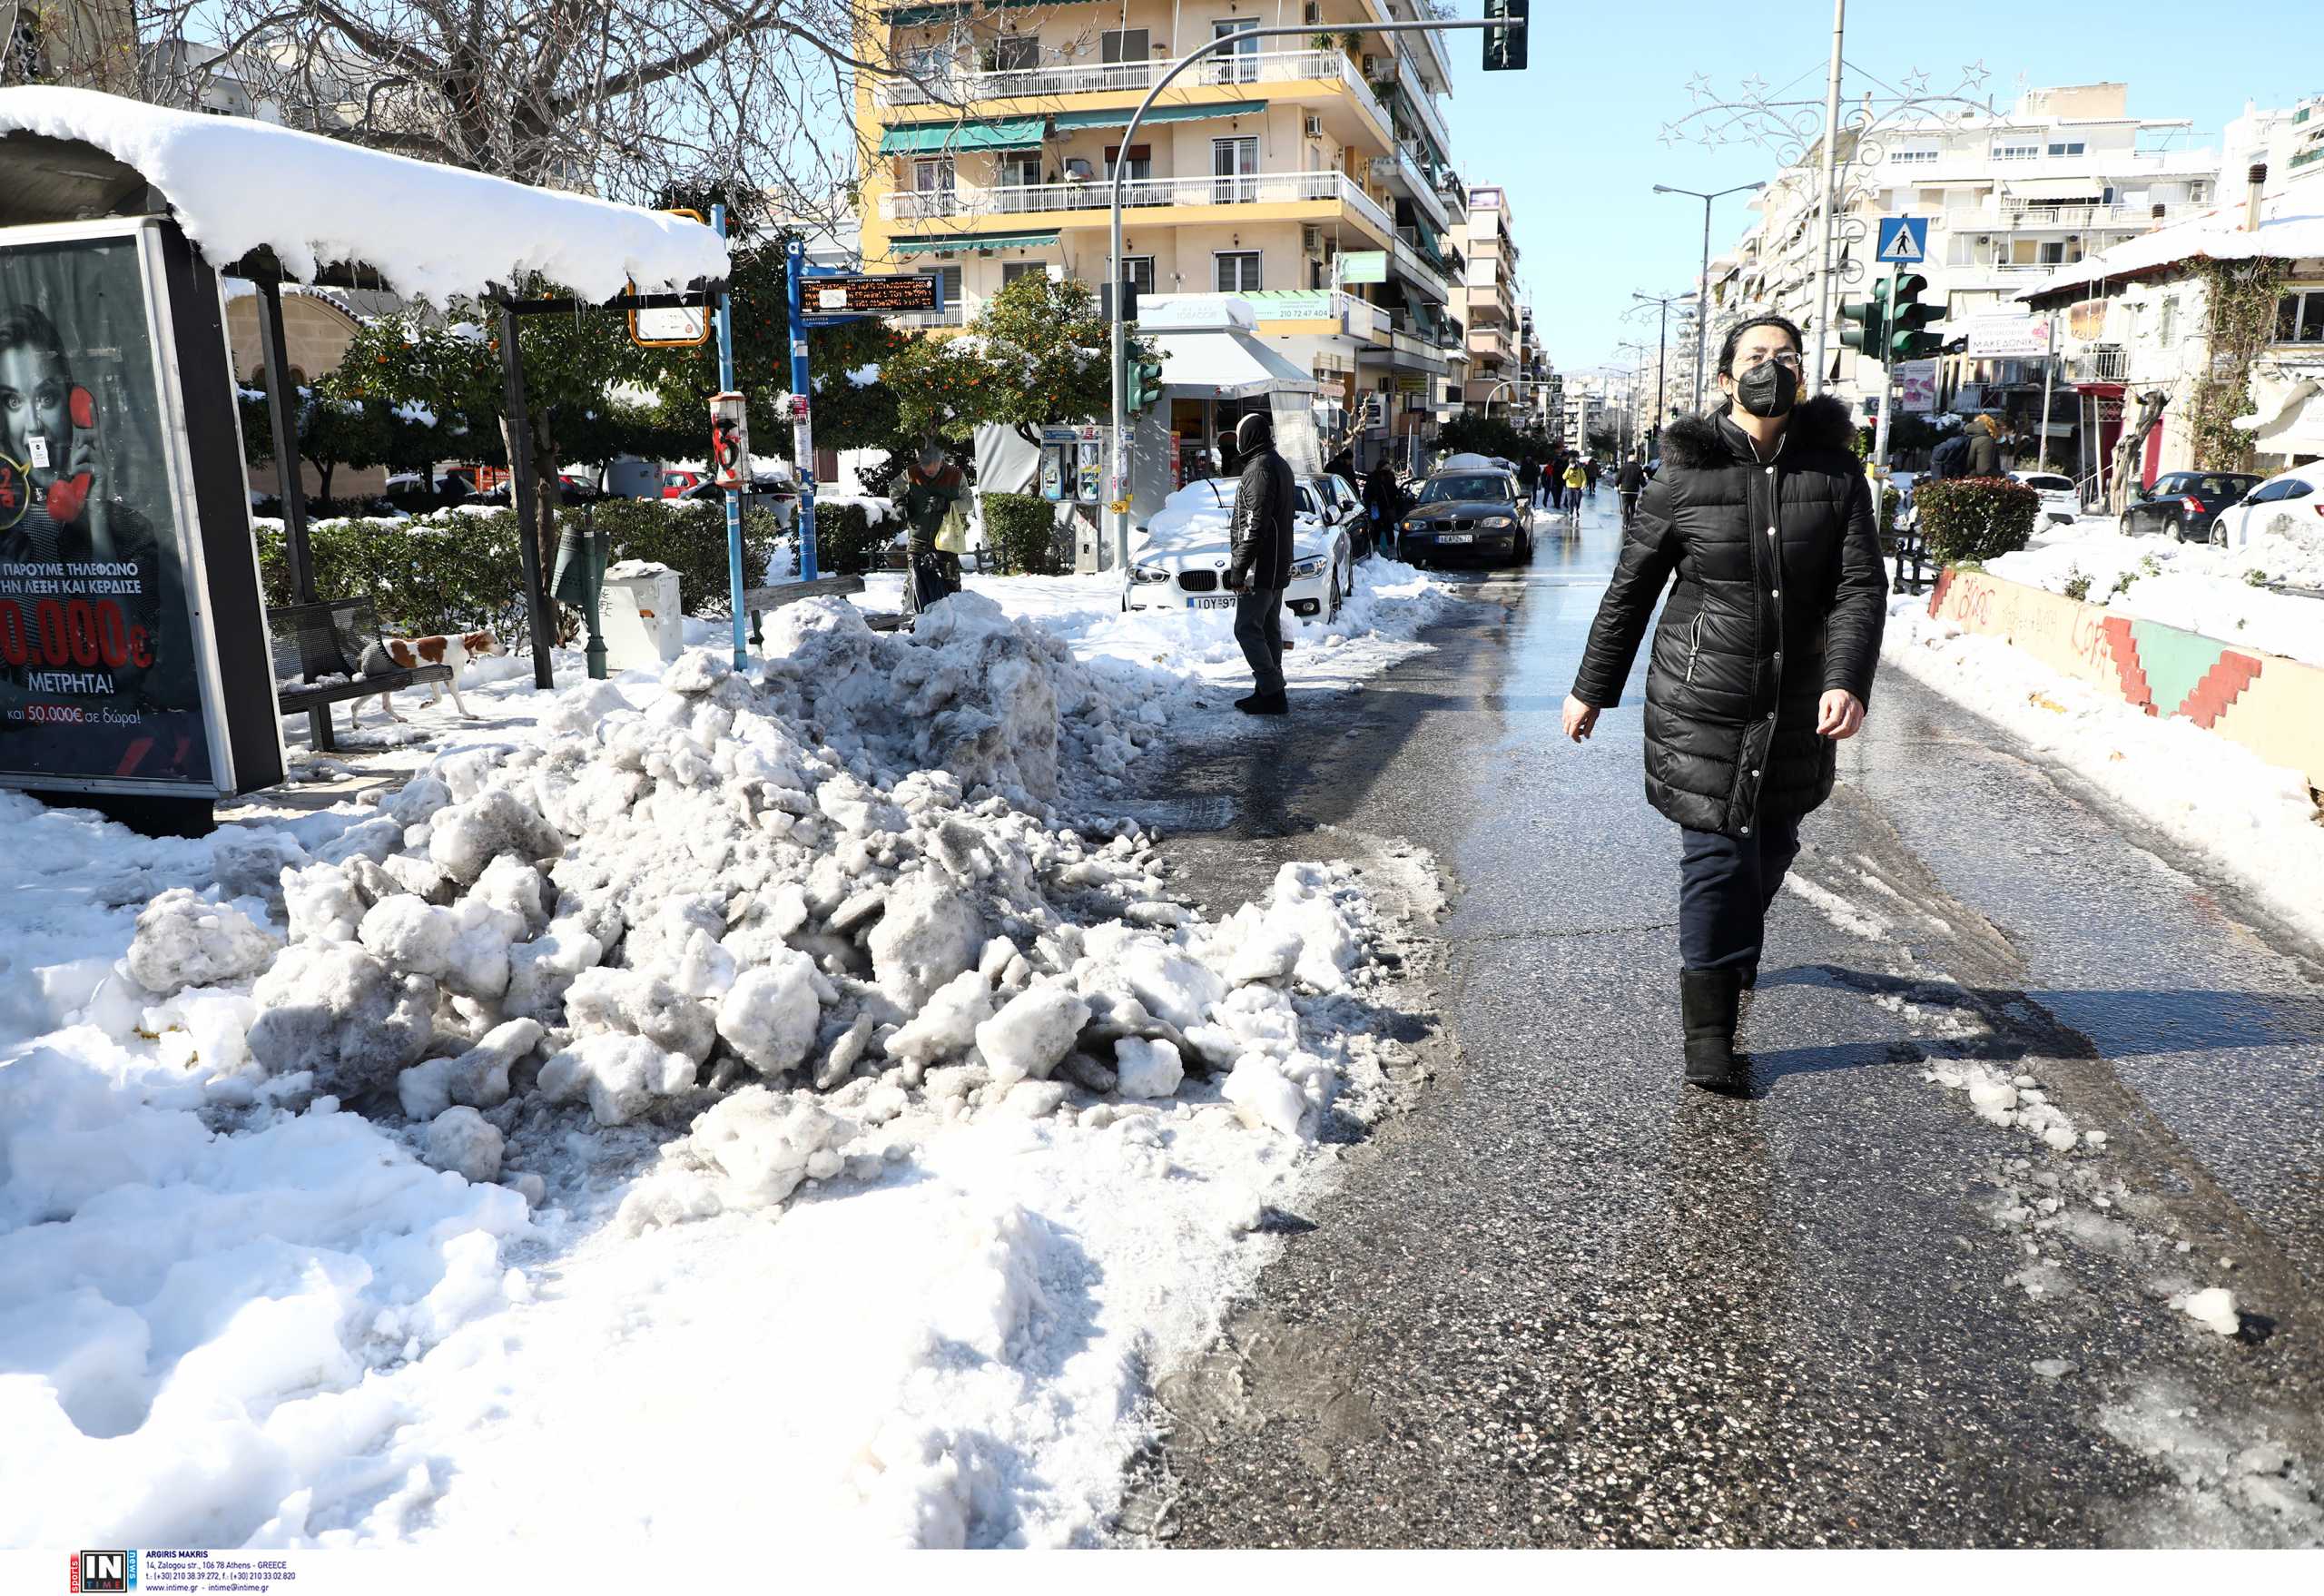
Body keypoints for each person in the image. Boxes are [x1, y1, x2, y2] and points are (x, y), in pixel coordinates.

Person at [1561, 313, 1887, 1093]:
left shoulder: (1837, 476)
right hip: (1700, 700)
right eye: (1754, 357)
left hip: (1799, 700)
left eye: (1784, 357)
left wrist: (1847, 678)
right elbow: (1630, 591)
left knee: (1771, 847)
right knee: (1716, 855)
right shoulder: (1682, 479)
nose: (1769, 369)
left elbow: (1859, 587)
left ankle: (1734, 954)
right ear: (1724, 377)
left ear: (1804, 375)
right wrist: (1590, 689)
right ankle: (1709, 1033)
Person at [1222, 410, 1293, 716]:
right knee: (1268, 627)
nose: (1236, 444)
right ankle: (1267, 690)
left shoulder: (1260, 469)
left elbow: (1255, 523)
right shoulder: (1276, 463)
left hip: (1260, 566)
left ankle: (1273, 691)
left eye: (1238, 437)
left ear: (1247, 437)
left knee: (1247, 629)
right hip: (1276, 563)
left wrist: (1239, 566)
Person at [899, 438, 969, 619]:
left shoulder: (956, 476)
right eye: (924, 470)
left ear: (941, 462)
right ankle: (913, 617)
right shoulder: (911, 474)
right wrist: (899, 504)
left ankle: (955, 618)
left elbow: (969, 503)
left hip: (946, 539)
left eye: (932, 470)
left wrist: (948, 504)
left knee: (950, 578)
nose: (928, 473)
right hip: (918, 535)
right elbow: (895, 488)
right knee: (913, 579)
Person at [1364, 458, 1403, 555]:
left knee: (1389, 527)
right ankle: (1376, 548)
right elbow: (1367, 493)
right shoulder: (1373, 477)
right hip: (1376, 507)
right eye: (1385, 467)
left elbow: (1393, 491)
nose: (1387, 468)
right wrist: (1371, 502)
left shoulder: (1390, 476)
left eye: (1388, 466)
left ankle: (1391, 548)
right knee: (1376, 528)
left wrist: (1396, 501)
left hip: (1387, 507)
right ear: (1380, 467)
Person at [1965, 413, 2001, 478]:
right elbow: (1984, 471)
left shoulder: (1967, 435)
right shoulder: (1986, 440)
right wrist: (2002, 474)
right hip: (1974, 483)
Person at [1617, 452, 1646, 527]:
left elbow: (1618, 478)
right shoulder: (1638, 468)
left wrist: (1617, 485)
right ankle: (1632, 522)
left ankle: (1625, 523)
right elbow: (1642, 480)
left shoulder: (1623, 467)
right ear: (1635, 460)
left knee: (1625, 507)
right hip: (1634, 491)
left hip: (1624, 490)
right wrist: (1645, 486)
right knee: (1632, 506)